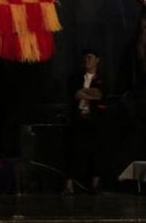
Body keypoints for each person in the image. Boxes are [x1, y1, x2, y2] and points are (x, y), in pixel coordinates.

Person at [64, 50, 105, 194]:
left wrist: (86, 92)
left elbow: (100, 95)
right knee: (74, 151)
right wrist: (89, 92)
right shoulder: (76, 77)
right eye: (85, 58)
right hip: (79, 118)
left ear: (97, 60)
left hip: (94, 120)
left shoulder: (102, 77)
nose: (87, 61)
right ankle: (69, 185)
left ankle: (95, 185)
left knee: (96, 152)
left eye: (90, 58)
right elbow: (76, 94)